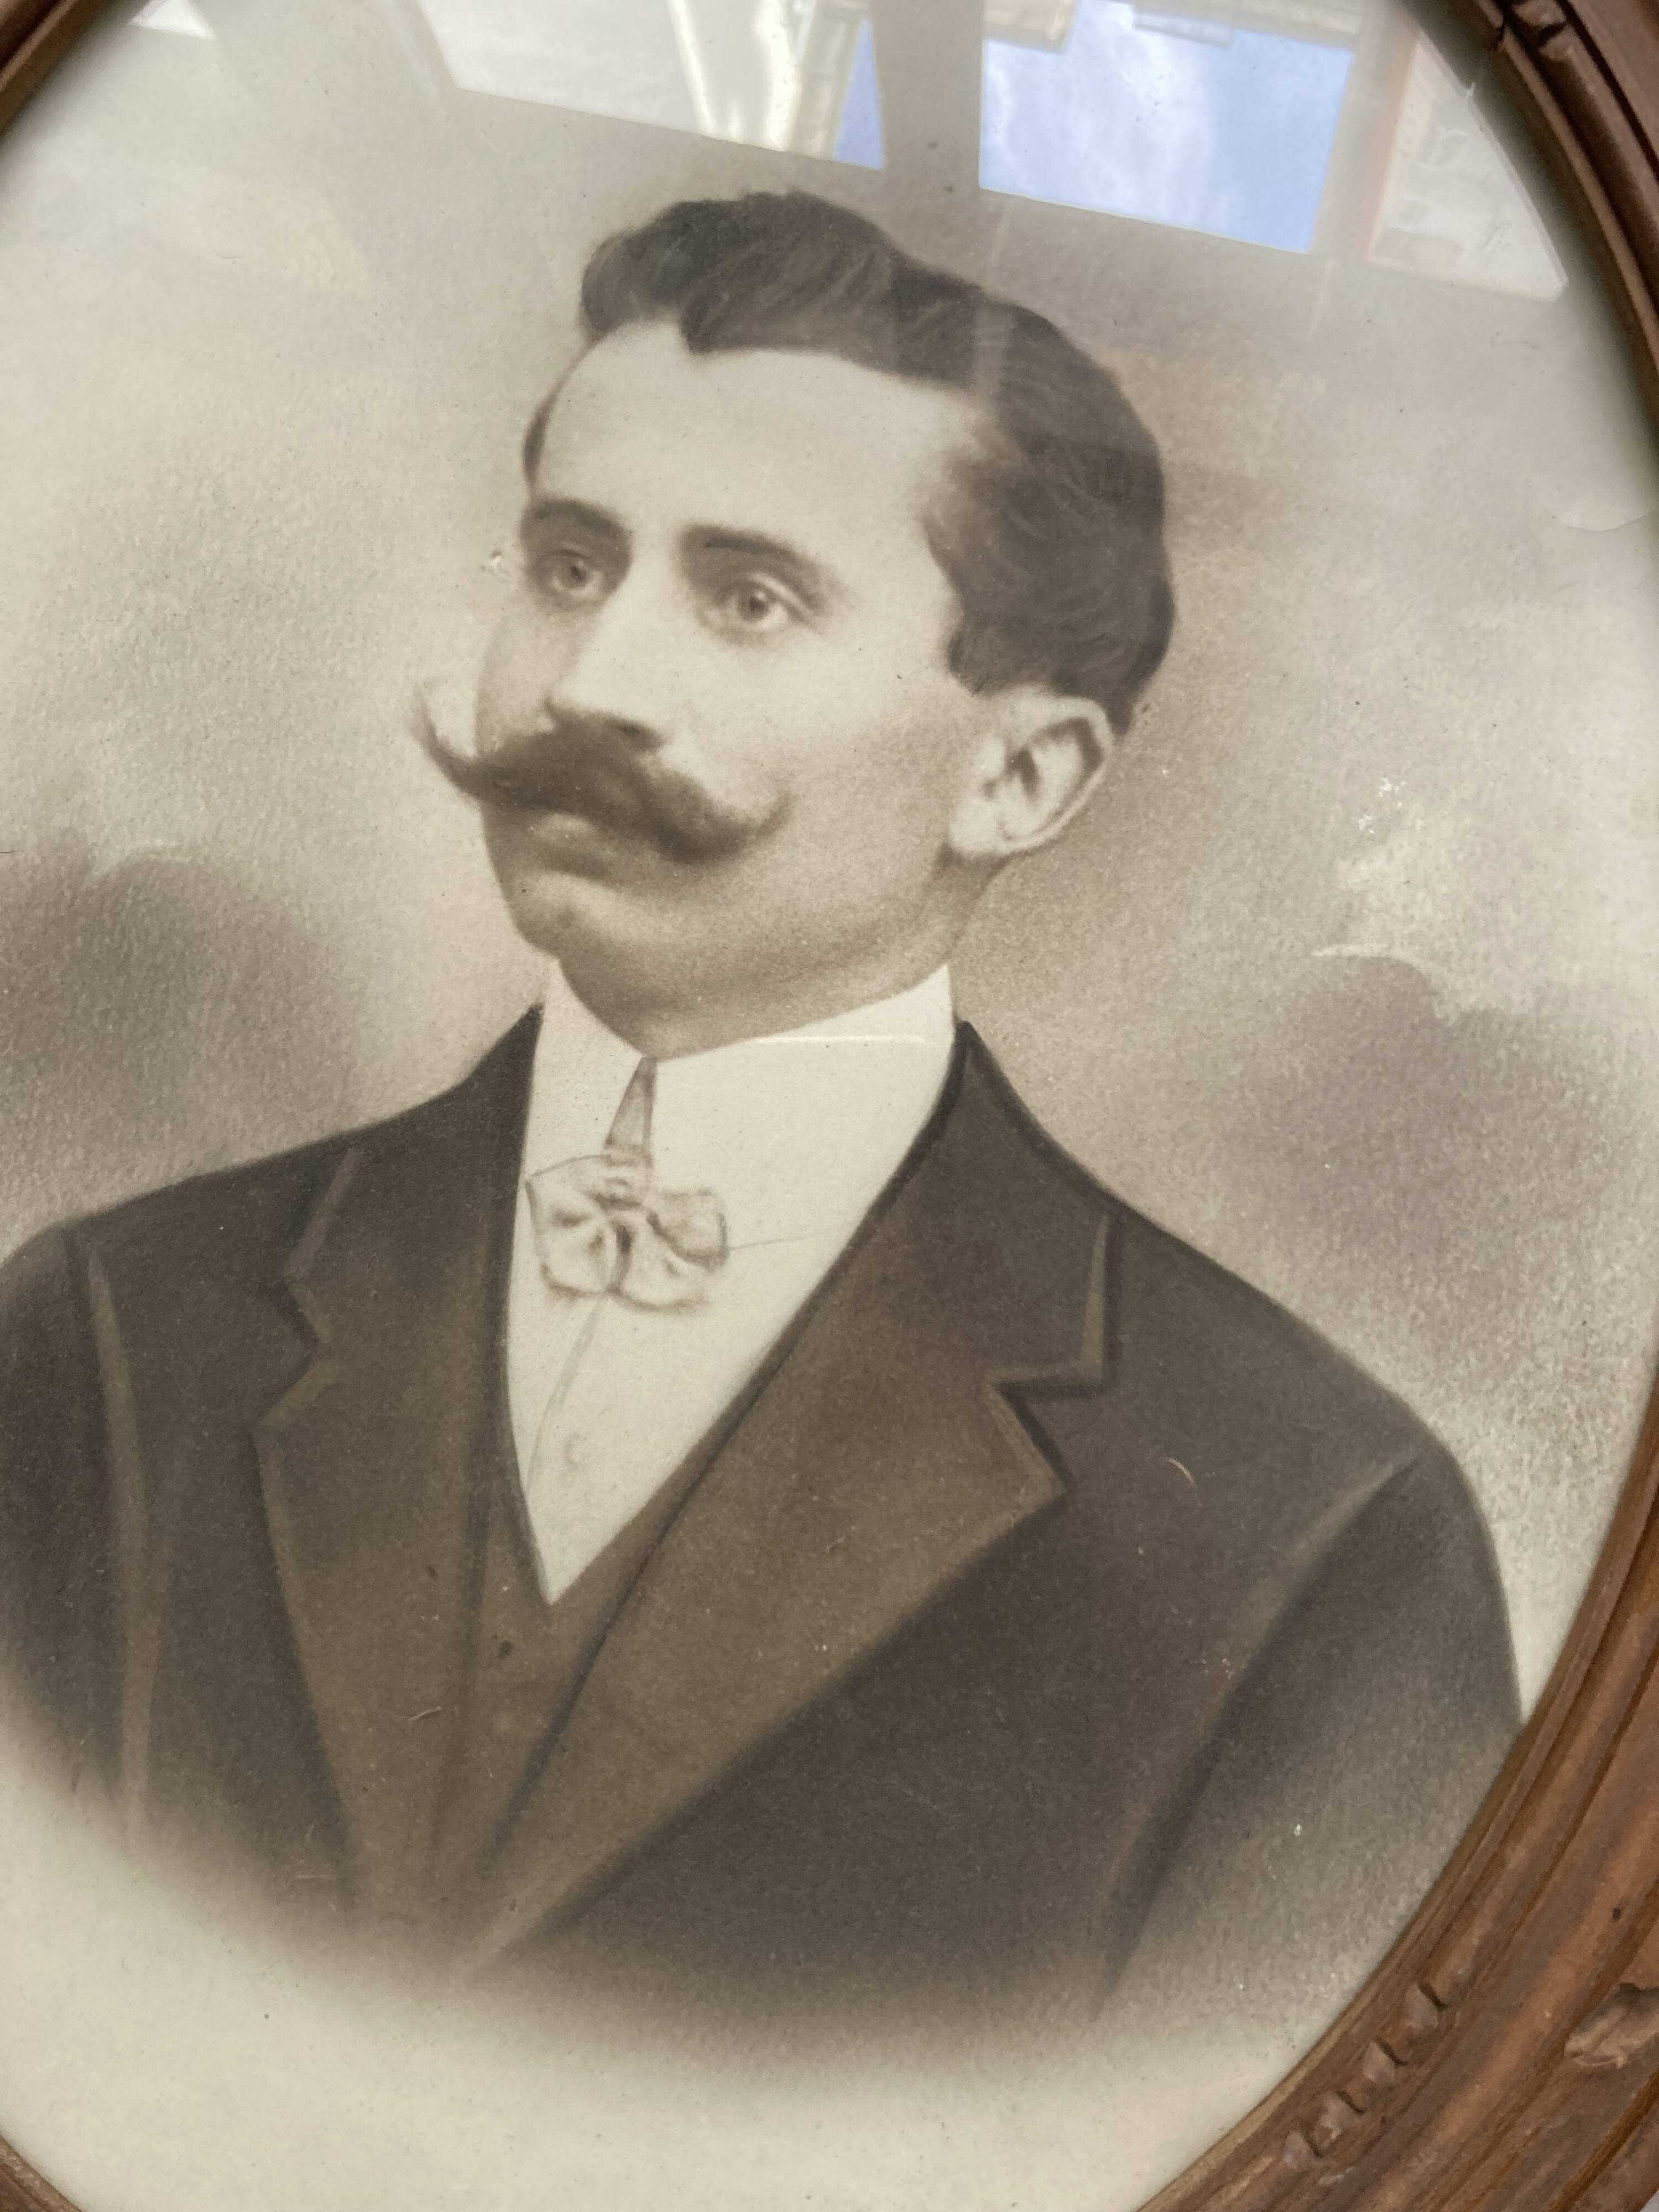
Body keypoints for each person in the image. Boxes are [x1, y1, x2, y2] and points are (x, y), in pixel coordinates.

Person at [0, 190, 1517, 2049]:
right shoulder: (105, 1328)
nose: (587, 686)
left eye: (748, 599)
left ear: (1022, 774)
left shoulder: (1324, 1539)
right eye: (570, 567)